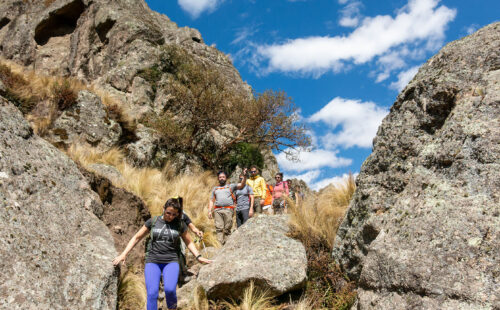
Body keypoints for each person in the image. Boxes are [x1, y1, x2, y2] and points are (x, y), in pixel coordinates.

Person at [112, 197, 211, 310]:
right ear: (163, 209)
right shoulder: (153, 222)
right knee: (152, 294)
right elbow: (136, 238)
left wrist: (198, 256)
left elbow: (188, 242)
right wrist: (124, 253)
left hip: (171, 261)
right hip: (152, 261)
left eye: (174, 214)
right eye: (168, 213)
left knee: (169, 290)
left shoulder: (179, 224)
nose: (170, 216)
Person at [208, 169, 247, 244]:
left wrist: (244, 176)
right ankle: (219, 245)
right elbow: (211, 200)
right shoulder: (215, 189)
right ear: (218, 179)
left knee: (227, 228)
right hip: (217, 210)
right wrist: (209, 210)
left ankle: (227, 245)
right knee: (219, 228)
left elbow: (241, 185)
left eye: (223, 177)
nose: (222, 178)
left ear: (226, 178)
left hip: (228, 210)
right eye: (220, 177)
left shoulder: (230, 186)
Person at [178, 210, 203, 284]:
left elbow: (192, 227)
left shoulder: (183, 215)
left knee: (181, 253)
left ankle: (183, 273)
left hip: (181, 237)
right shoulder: (168, 214)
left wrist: (197, 232)